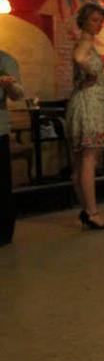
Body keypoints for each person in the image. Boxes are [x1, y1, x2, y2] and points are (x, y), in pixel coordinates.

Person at [65, 3, 104, 230]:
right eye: (95, 20)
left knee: (80, 163)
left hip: (82, 101)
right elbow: (79, 58)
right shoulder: (85, 42)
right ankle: (93, 213)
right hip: (89, 105)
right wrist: (92, 72)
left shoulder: (85, 42)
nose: (99, 25)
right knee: (88, 160)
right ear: (85, 21)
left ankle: (86, 209)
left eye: (100, 21)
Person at [0, 49, 24, 245]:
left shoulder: (5, 59)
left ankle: (3, 231)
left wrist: (9, 85)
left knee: (1, 183)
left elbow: (18, 94)